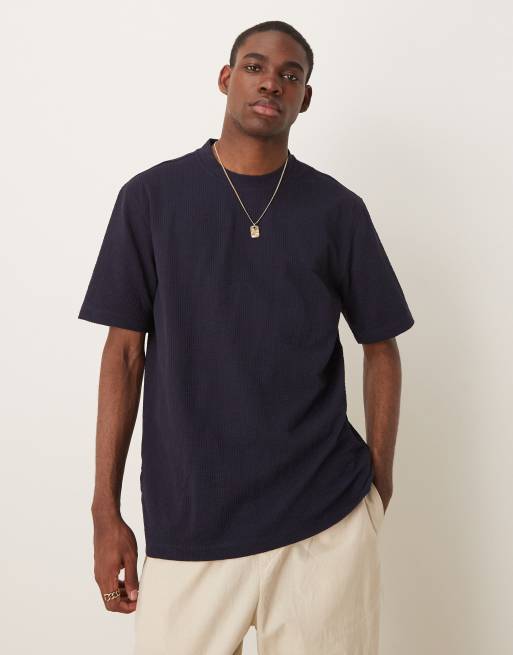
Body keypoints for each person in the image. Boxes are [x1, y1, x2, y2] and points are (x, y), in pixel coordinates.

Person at [78, 19, 414, 655]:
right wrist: (104, 510)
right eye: (256, 67)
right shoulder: (151, 199)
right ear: (226, 78)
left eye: (291, 75)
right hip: (189, 524)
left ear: (305, 98)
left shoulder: (338, 211)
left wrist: (378, 483)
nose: (271, 83)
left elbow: (382, 346)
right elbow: (123, 355)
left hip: (324, 522)